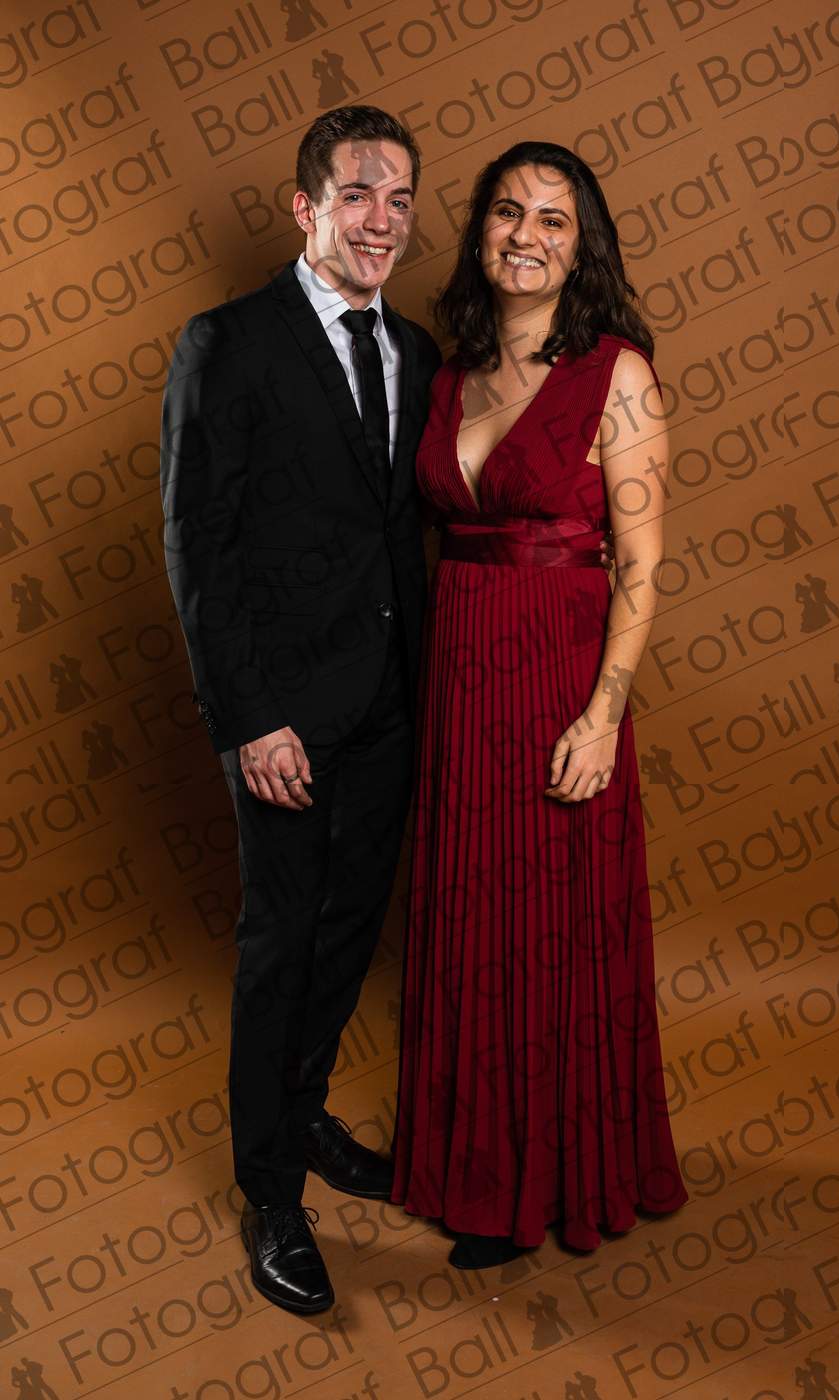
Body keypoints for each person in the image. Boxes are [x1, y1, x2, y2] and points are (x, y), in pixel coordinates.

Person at [159, 106, 445, 1317]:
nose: (380, 219)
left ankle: (306, 1109)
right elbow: (197, 543)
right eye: (355, 194)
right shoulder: (227, 343)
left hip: (388, 705)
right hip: (281, 715)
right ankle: (272, 1191)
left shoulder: (416, 349)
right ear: (305, 207)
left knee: (346, 932)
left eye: (398, 197)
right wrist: (249, 717)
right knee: (281, 941)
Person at [390, 140, 689, 1267]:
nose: (526, 235)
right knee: (469, 923)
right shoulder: (448, 372)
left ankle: (547, 1178)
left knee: (549, 932)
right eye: (507, 212)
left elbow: (642, 563)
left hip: (562, 682)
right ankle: (464, 1163)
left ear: (582, 247)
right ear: (481, 232)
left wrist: (602, 715)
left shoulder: (617, 373)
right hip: (459, 684)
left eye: (553, 220)